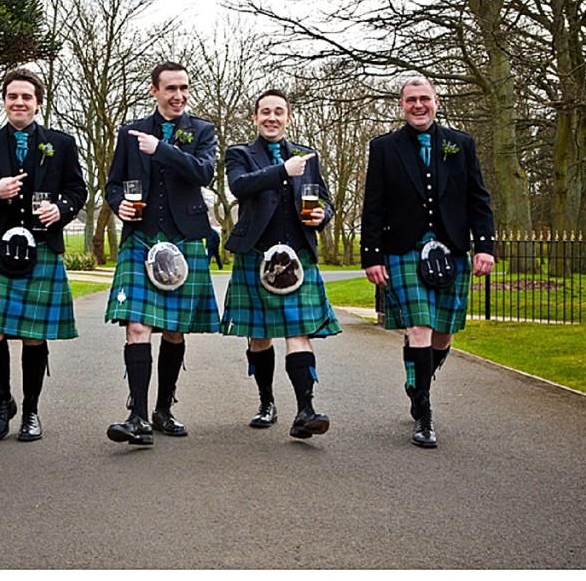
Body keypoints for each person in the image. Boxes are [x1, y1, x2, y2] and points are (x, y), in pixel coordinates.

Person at [360, 75, 495, 449]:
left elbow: (477, 199)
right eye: (410, 100)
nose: (418, 106)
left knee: (443, 333)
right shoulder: (385, 147)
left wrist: (484, 245)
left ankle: (415, 380)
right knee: (419, 328)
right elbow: (373, 205)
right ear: (401, 106)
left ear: (437, 101)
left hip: (451, 247)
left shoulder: (460, 144)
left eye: (424, 99)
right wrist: (372, 255)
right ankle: (424, 413)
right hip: (403, 248)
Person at [0, 68, 88, 442]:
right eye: (13, 96)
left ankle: (31, 411)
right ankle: (2, 401)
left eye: (26, 97)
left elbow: (78, 190)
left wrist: (61, 209)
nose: (19, 103)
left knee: (33, 335)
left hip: (42, 246)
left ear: (38, 103)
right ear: (5, 101)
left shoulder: (61, 144)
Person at [103, 61, 221, 446]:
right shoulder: (129, 133)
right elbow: (113, 184)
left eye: (184, 88)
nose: (178, 95)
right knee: (137, 326)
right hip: (141, 238)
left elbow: (204, 173)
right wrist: (119, 203)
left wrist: (163, 150)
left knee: (174, 329)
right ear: (154, 91)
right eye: (170, 88)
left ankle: (163, 409)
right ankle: (136, 415)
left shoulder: (202, 131)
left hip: (185, 237)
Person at [221, 88, 341, 439]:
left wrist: (322, 215)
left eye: (278, 112)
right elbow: (240, 187)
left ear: (288, 117)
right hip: (257, 255)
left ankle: (306, 409)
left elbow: (325, 200)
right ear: (255, 118)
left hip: (298, 256)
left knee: (297, 332)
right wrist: (282, 171)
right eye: (265, 112)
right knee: (259, 337)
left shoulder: (308, 156)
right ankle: (266, 402)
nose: (272, 117)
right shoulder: (239, 154)